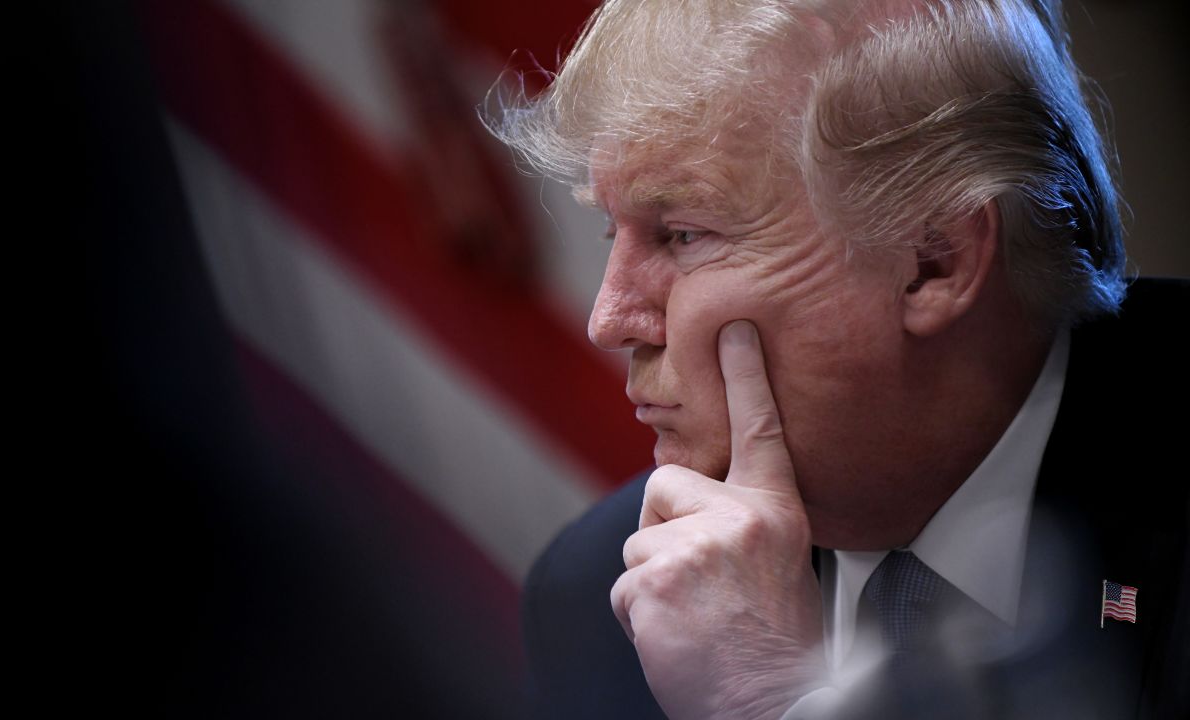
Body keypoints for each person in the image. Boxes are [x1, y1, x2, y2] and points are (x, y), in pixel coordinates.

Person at [485, 0, 1188, 718]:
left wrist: (770, 705)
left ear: (932, 262)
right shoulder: (603, 596)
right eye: (614, 235)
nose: (609, 319)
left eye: (683, 235)